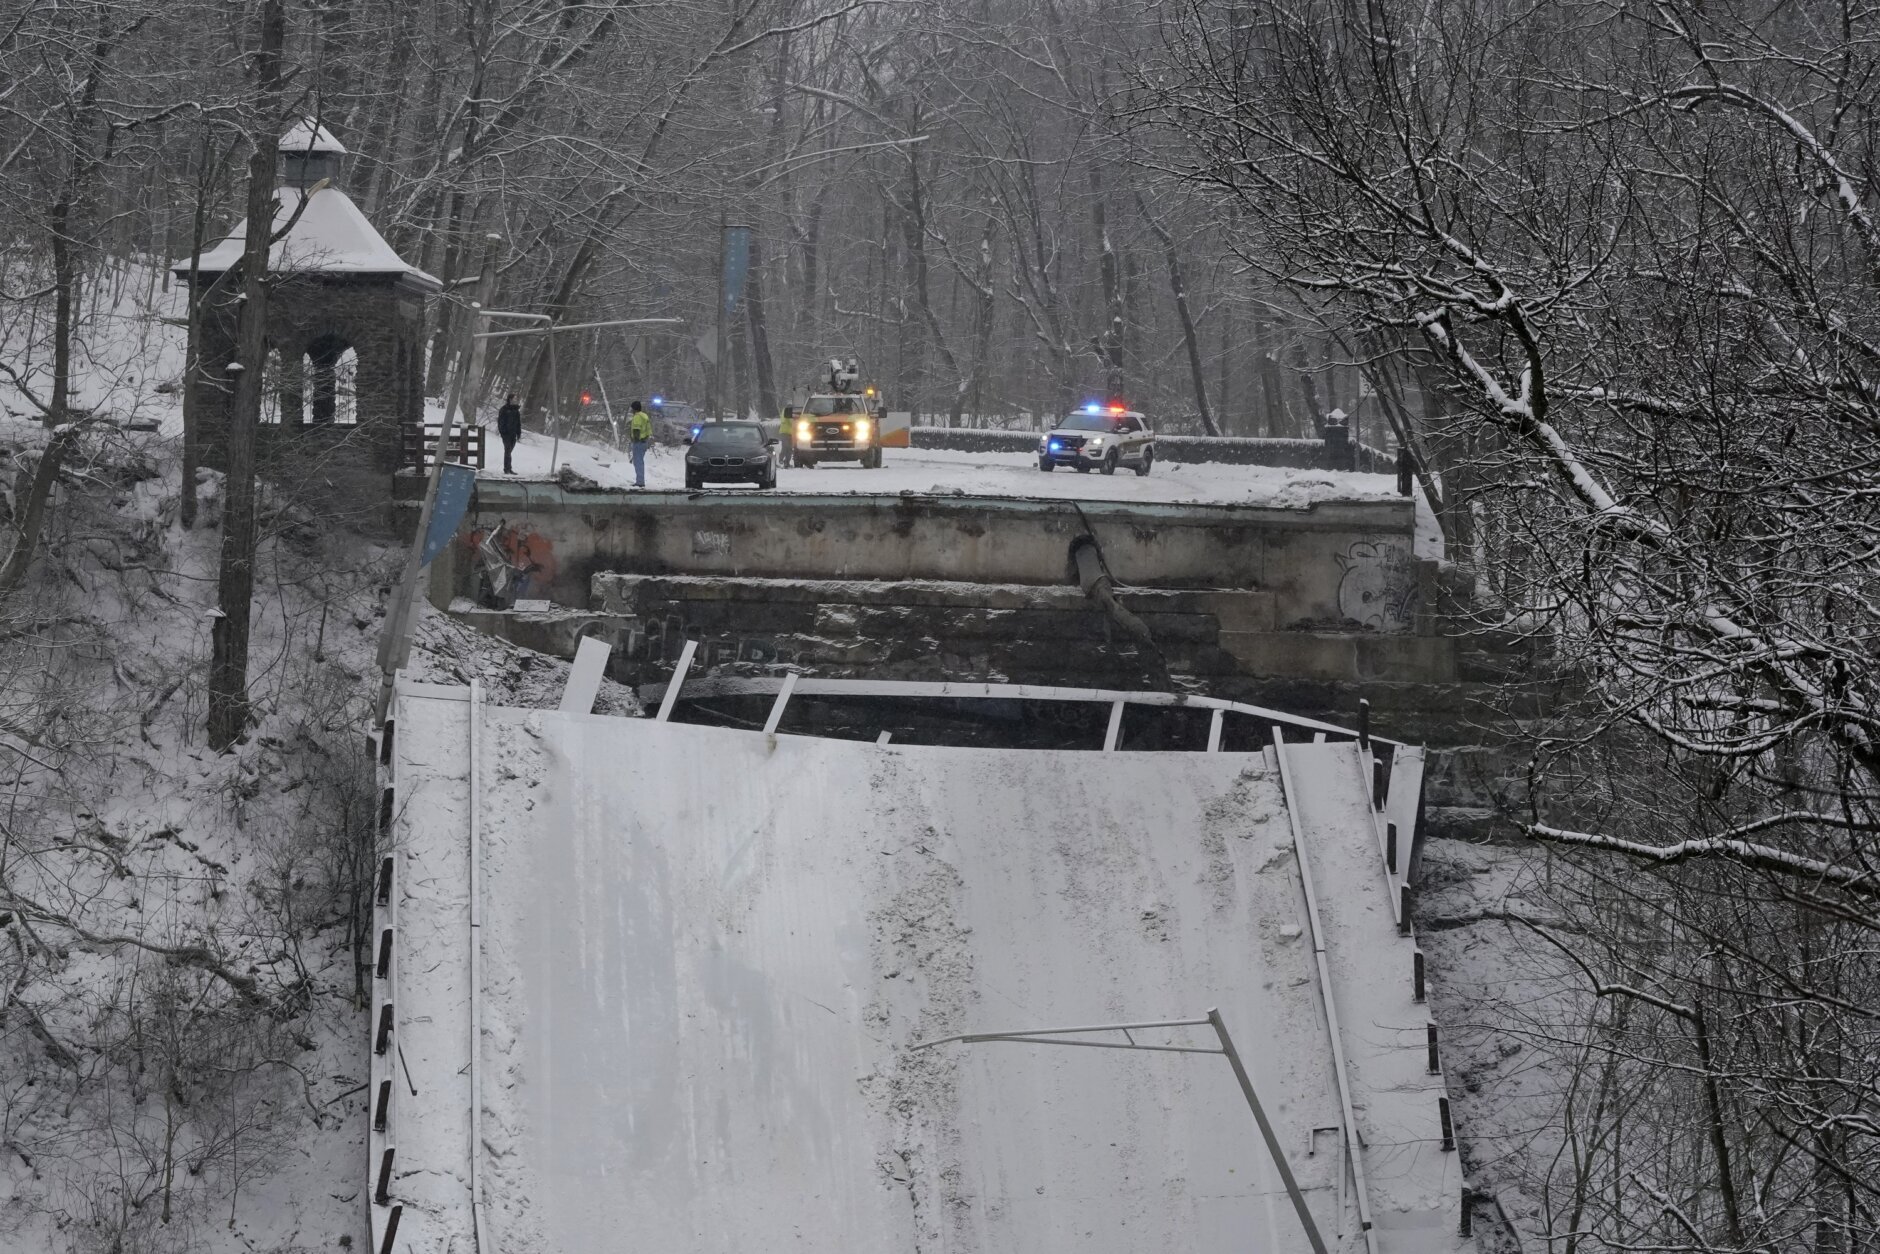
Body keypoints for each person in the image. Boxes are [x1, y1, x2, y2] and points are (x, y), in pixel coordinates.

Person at [628, 400, 653, 487]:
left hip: (638, 442)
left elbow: (636, 429)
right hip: (644, 441)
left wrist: (635, 440)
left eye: (632, 408)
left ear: (634, 409)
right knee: (640, 461)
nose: (631, 410)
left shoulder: (637, 417)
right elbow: (648, 430)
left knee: (638, 462)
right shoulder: (644, 415)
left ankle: (640, 482)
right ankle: (640, 481)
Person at [497, 393, 522, 475]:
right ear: (510, 399)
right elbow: (500, 422)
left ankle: (508, 468)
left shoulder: (516, 411)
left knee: (509, 451)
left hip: (513, 434)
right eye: (514, 399)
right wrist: (503, 432)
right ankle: (507, 469)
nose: (516, 400)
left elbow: (518, 423)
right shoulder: (504, 409)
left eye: (516, 399)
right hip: (506, 434)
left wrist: (518, 433)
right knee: (507, 450)